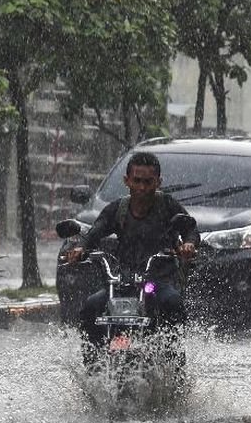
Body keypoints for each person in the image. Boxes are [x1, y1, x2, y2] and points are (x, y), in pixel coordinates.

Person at [65, 151, 199, 353]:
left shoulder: (167, 205)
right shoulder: (117, 209)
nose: (142, 188)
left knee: (172, 303)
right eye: (137, 181)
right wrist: (80, 248)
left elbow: (190, 228)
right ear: (127, 181)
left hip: (156, 283)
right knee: (92, 306)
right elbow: (95, 232)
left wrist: (188, 244)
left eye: (148, 181)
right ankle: (93, 365)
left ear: (158, 182)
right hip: (123, 283)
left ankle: (173, 363)